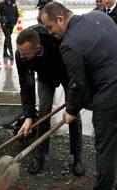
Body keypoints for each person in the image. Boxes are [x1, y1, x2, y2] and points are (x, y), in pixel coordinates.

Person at [40, 2, 117, 190]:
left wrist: (72, 110)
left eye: (50, 27)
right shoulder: (99, 17)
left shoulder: (69, 44)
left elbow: (77, 84)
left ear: (60, 19)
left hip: (114, 95)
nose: (51, 32)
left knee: (105, 146)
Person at [16, 25, 84, 176]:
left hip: (66, 74)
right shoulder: (21, 53)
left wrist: (72, 105)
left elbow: (77, 69)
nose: (21, 57)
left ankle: (77, 155)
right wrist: (28, 116)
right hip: (45, 76)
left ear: (38, 47)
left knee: (73, 114)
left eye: (25, 54)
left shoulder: (56, 41)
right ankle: (40, 153)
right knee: (43, 111)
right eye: (20, 53)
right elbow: (26, 86)